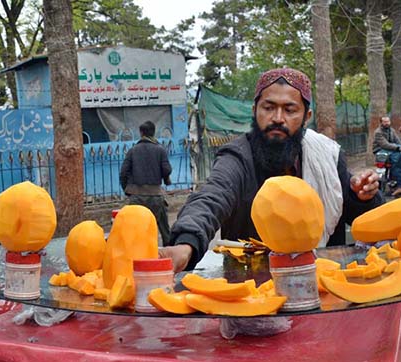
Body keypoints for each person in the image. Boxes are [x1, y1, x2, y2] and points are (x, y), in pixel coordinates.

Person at [161, 68, 383, 273]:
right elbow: (212, 196)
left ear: (307, 117)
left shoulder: (326, 156)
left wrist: (364, 196)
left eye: (289, 110)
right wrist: (186, 244)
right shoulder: (238, 157)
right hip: (251, 289)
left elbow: (363, 218)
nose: (277, 118)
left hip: (320, 285)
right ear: (254, 110)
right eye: (268, 108)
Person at [119, 121, 173, 245]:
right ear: (153, 132)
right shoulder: (160, 149)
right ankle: (169, 256)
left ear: (141, 133)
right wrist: (166, 178)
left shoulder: (133, 150)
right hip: (156, 196)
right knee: (164, 229)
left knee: (136, 231)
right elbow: (167, 169)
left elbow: (123, 173)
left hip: (136, 198)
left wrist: (127, 190)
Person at [372, 116, 401, 190]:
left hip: (390, 149)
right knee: (395, 158)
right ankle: (392, 179)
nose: (386, 123)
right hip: (380, 149)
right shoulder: (378, 132)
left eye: (388, 121)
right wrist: (397, 148)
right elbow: (384, 144)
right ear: (381, 123)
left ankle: (393, 177)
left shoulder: (392, 130)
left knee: (399, 156)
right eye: (384, 122)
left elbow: (397, 140)